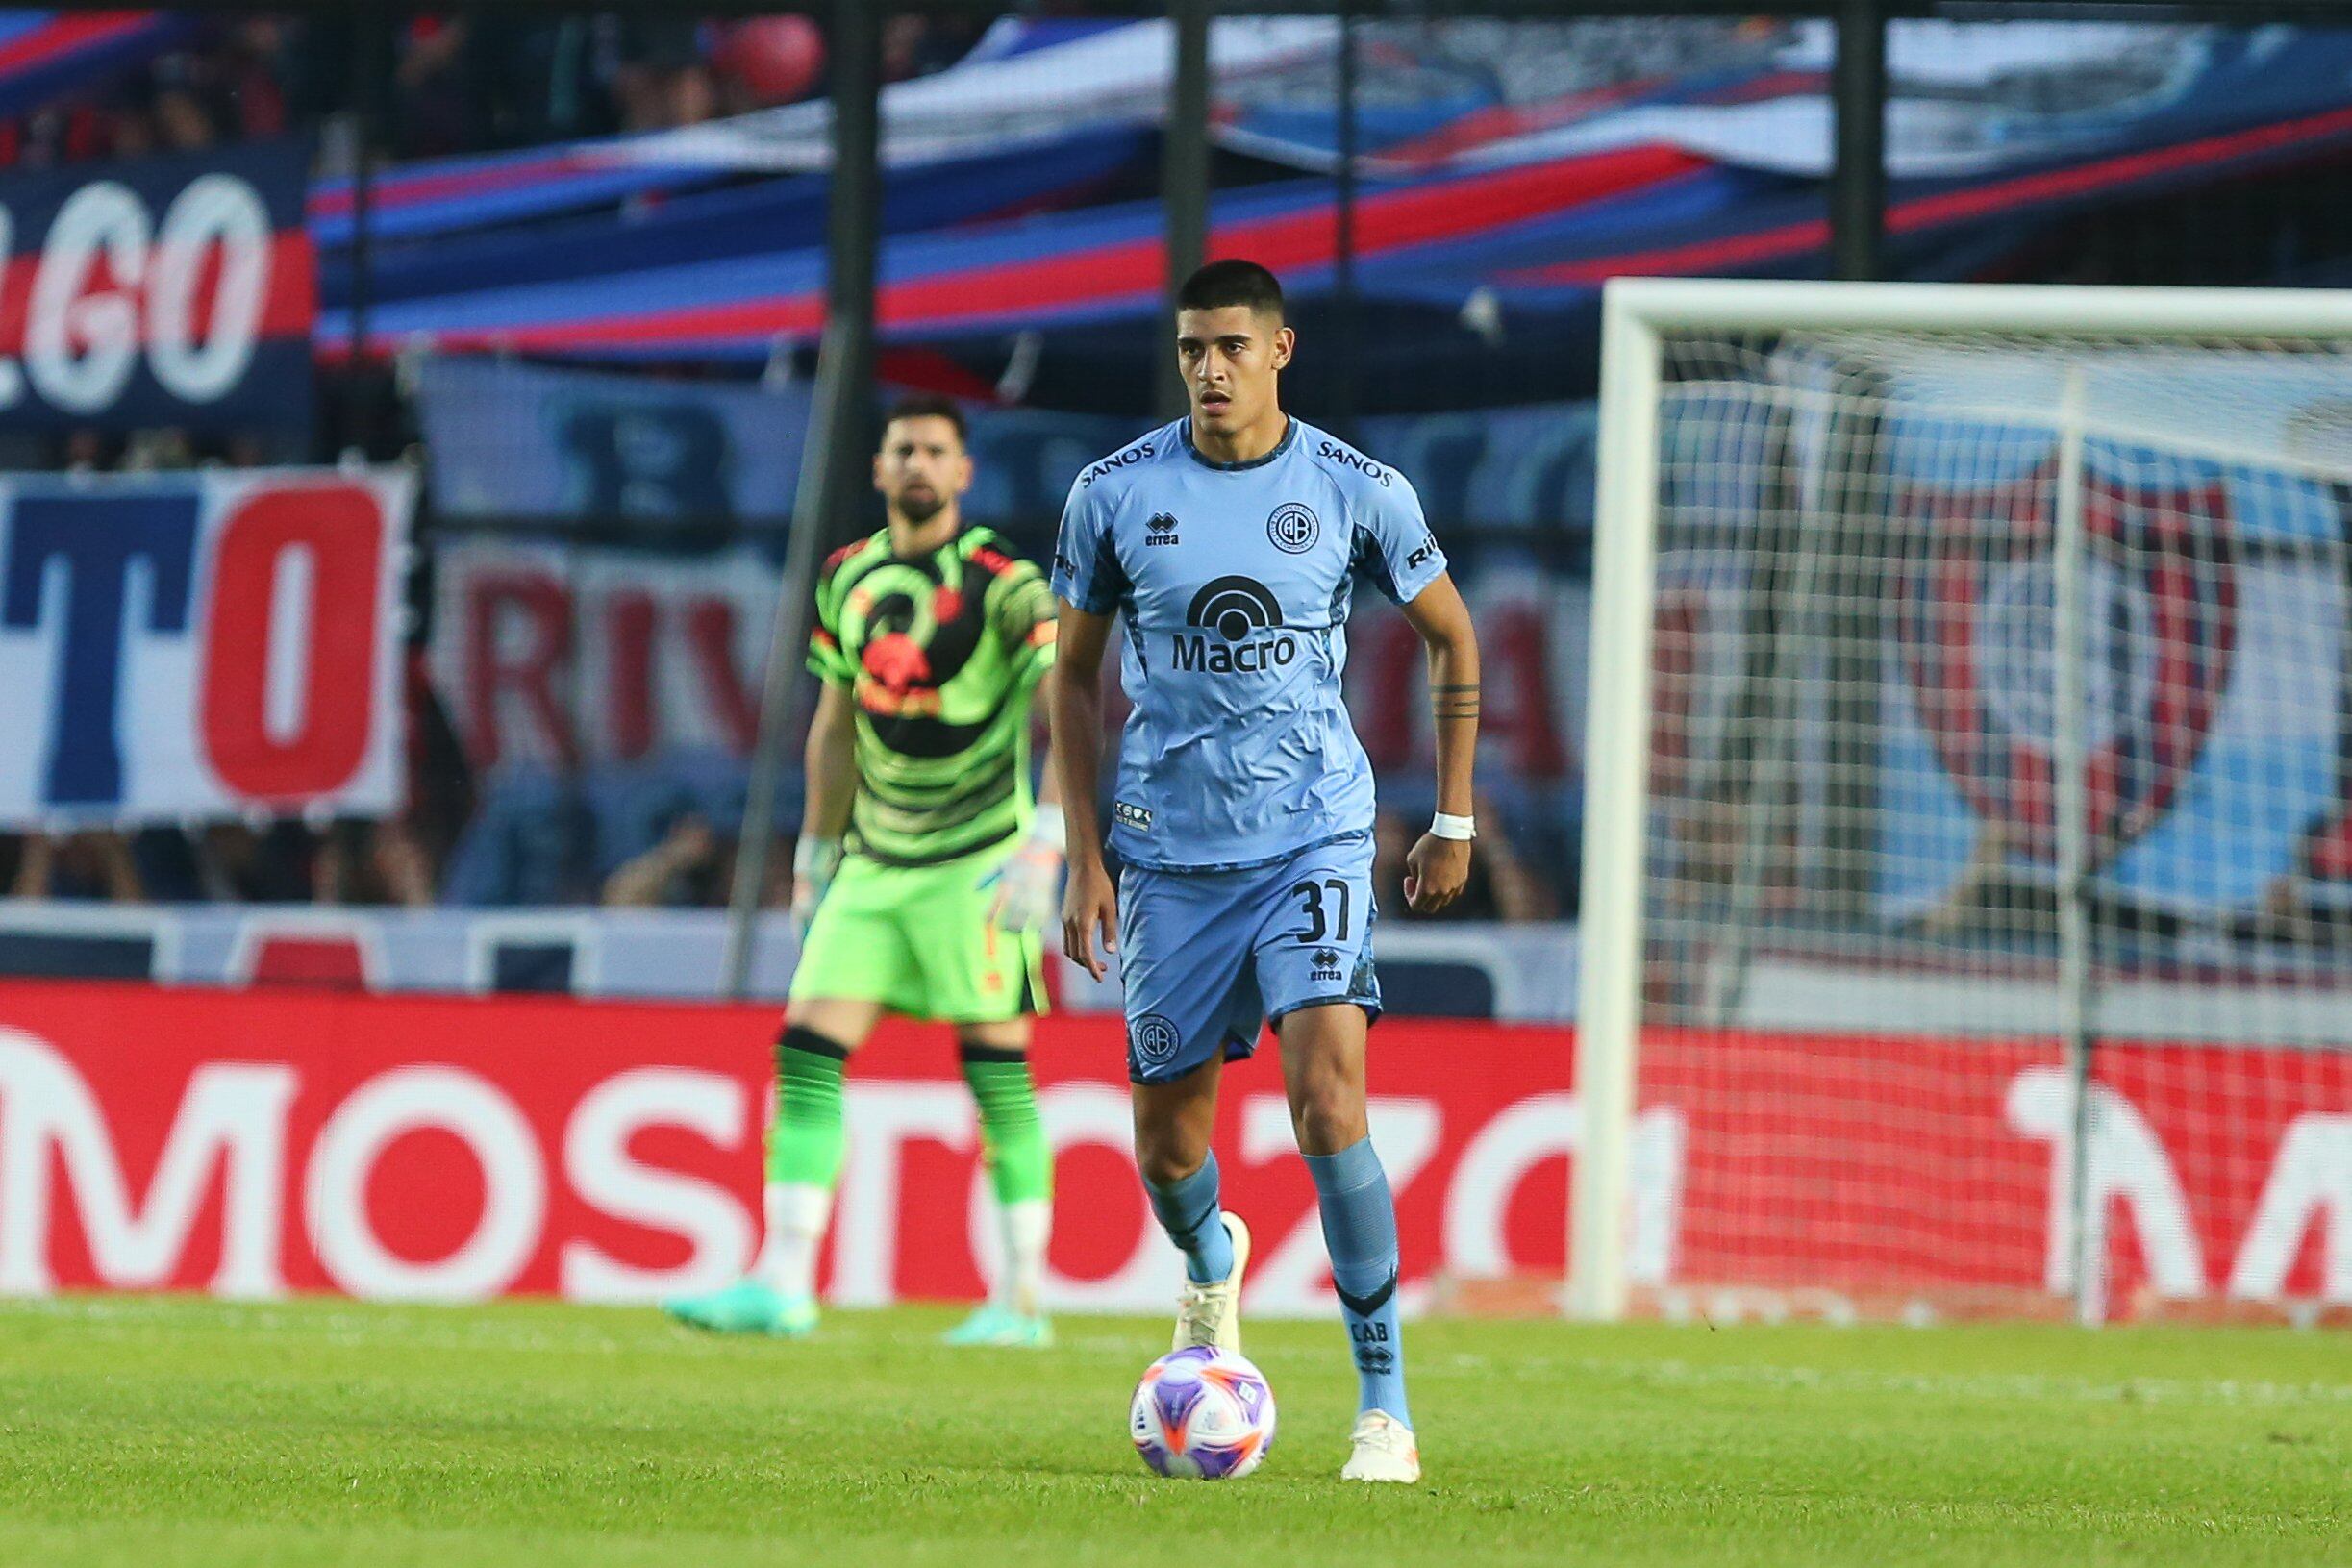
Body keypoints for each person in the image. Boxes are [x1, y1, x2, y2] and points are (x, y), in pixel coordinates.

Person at [1048, 260, 1481, 1483]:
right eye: (1192, 349)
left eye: (1232, 347)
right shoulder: (1113, 495)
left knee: (1326, 1099)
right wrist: (1083, 855)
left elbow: (1452, 632)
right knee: (1168, 1144)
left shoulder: (1354, 489)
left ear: (1280, 349)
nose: (1210, 370)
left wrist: (1450, 817)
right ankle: (1208, 1263)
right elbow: (1071, 676)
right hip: (1168, 852)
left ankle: (1383, 1404)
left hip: (1312, 831)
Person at [666, 394, 1066, 1348]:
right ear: (880, 469)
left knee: (997, 1072)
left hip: (976, 865)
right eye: (902, 449)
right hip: (873, 864)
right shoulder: (846, 575)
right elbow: (833, 726)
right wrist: (814, 850)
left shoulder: (1008, 585)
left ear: (963, 472)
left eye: (936, 449)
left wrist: (1047, 834)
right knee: (805, 1049)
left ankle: (1020, 1298)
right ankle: (783, 1280)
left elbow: (1073, 711)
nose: (919, 463)